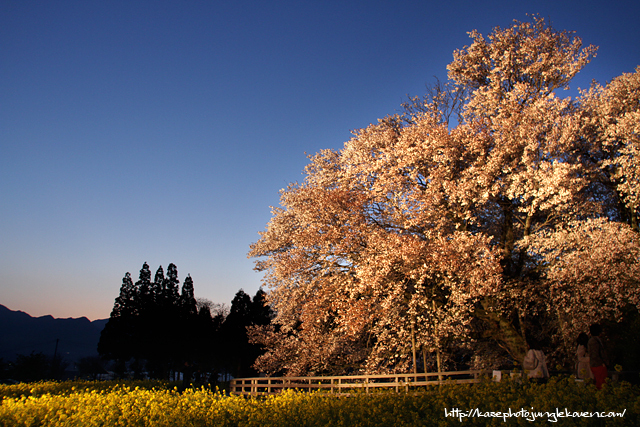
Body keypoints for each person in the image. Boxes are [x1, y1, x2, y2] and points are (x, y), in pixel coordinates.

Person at [588, 323, 609, 389]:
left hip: (597, 364)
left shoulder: (594, 340)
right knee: (601, 383)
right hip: (598, 365)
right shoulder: (594, 341)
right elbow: (595, 354)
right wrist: (602, 363)